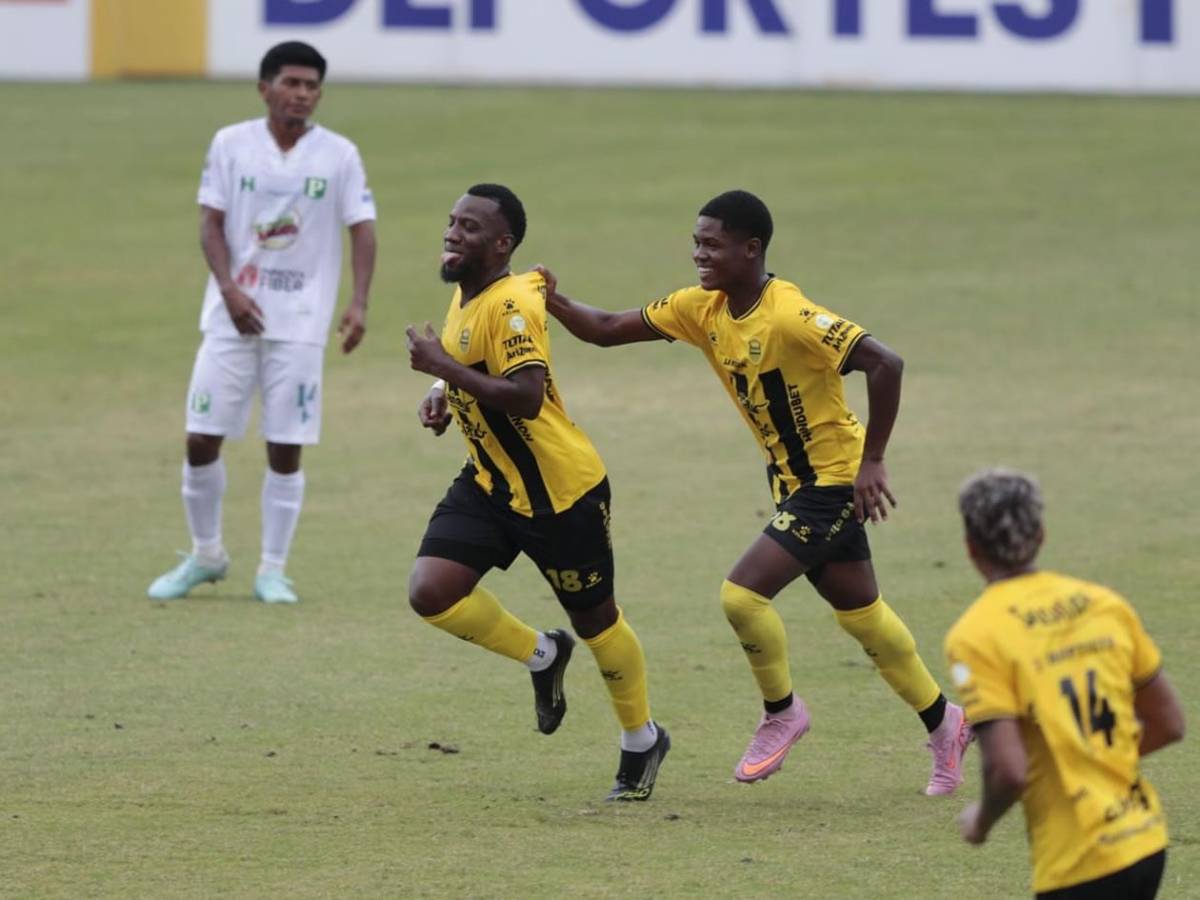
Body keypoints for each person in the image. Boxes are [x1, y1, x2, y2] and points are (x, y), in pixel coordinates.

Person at [537, 189, 971, 793]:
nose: (698, 255)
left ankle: (782, 713)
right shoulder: (701, 308)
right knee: (864, 616)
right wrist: (551, 300)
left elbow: (885, 363)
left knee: (742, 596)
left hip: (832, 481)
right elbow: (608, 329)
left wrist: (873, 459)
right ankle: (945, 722)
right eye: (695, 242)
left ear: (751, 249)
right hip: (794, 484)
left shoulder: (790, 316)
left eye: (711, 244)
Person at [404, 184, 669, 801]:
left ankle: (641, 739)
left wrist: (441, 369)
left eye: (469, 228)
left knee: (598, 622)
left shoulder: (515, 303)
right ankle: (543, 655)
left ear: (501, 245)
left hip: (560, 494)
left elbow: (525, 395)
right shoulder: (467, 293)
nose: (451, 233)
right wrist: (445, 397)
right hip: (491, 481)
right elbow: (474, 363)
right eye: (450, 221)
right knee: (432, 593)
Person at [147, 41, 377, 604]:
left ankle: (272, 569)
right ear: (264, 88)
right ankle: (206, 554)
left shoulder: (339, 154)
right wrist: (228, 290)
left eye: (311, 86)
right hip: (230, 319)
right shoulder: (231, 144)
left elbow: (362, 227)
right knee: (201, 438)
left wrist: (359, 302)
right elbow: (210, 222)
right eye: (291, 83)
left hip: (299, 323)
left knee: (286, 445)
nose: (301, 94)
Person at [947, 469, 1184, 899]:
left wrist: (981, 821)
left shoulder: (976, 634)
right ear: (1041, 535)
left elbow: (1008, 770)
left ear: (971, 547)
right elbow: (1169, 723)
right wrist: (1097, 761)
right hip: (1145, 841)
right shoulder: (1104, 604)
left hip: (1078, 866)